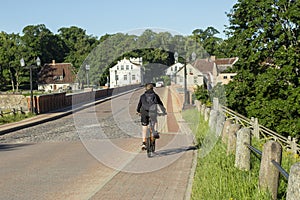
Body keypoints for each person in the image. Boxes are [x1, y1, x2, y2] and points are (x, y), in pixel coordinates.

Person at [136, 83, 167, 150]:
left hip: (144, 112)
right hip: (153, 112)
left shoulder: (142, 96)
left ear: (146, 89)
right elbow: (160, 103)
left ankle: (144, 143)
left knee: (144, 127)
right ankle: (155, 132)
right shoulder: (155, 95)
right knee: (155, 122)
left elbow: (139, 105)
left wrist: (138, 111)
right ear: (152, 88)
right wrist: (163, 111)